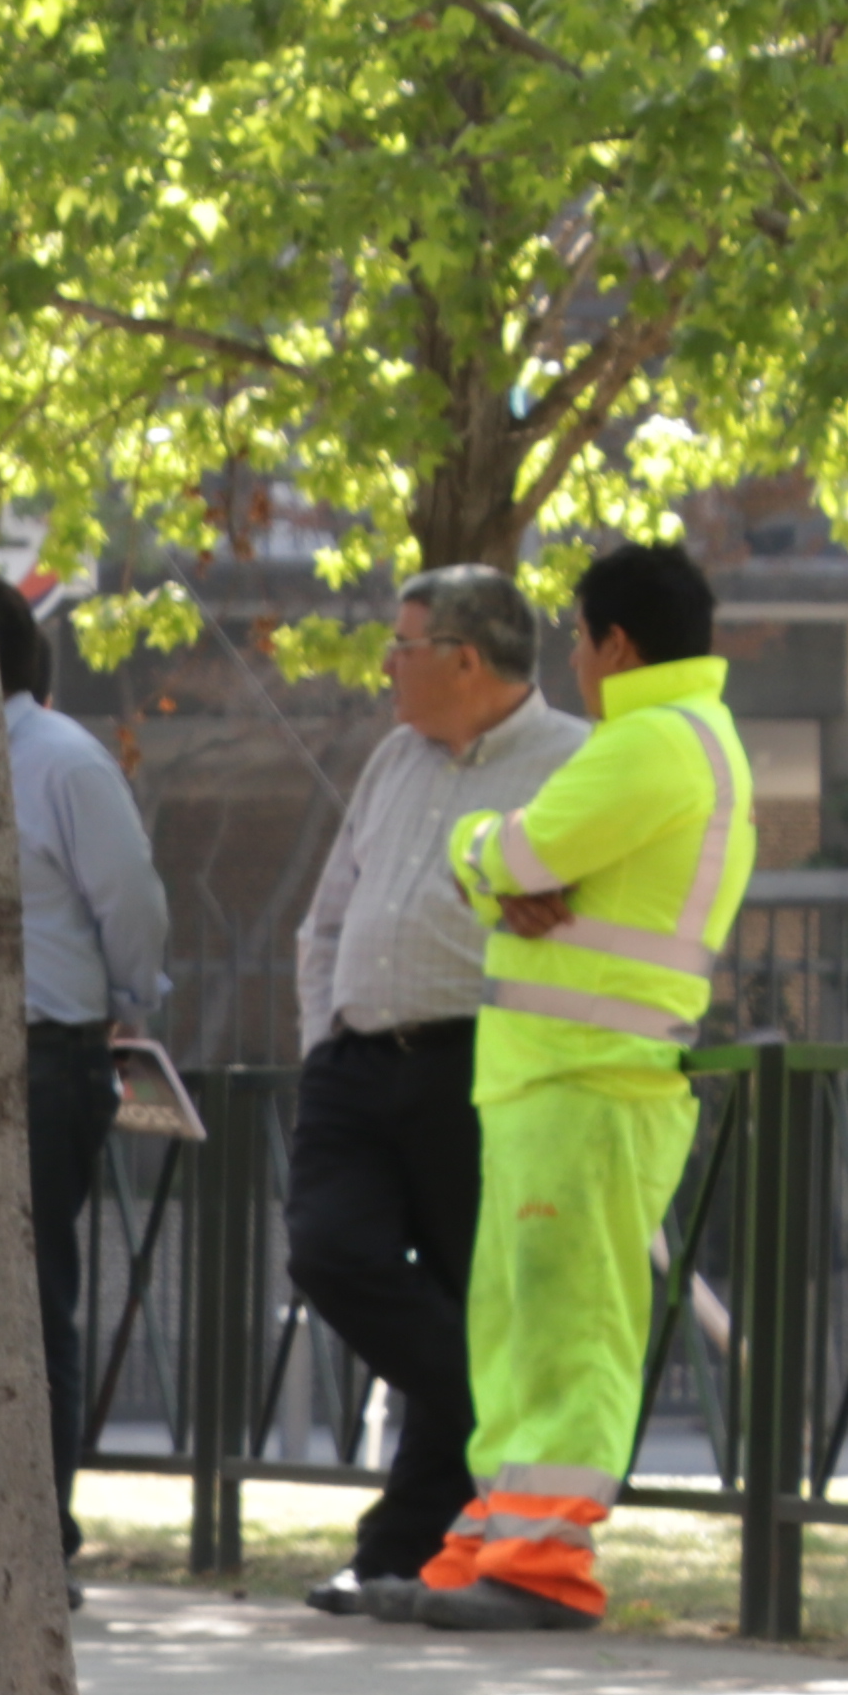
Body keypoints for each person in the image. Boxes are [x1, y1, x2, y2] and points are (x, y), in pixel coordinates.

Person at [405, 538, 753, 1633]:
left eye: (576, 637)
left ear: (615, 642)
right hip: (561, 1080)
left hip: (588, 1082)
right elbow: (520, 863)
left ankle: (544, 1569)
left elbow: (520, 849)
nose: (573, 657)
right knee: (516, 1326)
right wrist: (500, 864)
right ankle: (492, 1545)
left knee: (568, 1327)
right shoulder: (669, 737)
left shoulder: (649, 744)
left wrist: (482, 853)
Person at [288, 566, 585, 1617]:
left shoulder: (576, 763)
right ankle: (491, 1409)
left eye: (402, 646)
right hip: (357, 1064)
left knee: (468, 1296)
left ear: (464, 657)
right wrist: (323, 1041)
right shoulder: (391, 757)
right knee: (328, 1248)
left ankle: (401, 1552)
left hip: (481, 1063)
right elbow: (328, 915)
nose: (386, 665)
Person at [0, 582, 173, 1548]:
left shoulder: (63, 761)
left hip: (44, 1052)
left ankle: (39, 1530)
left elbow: (131, 904)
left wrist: (128, 1003)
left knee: (33, 1296)